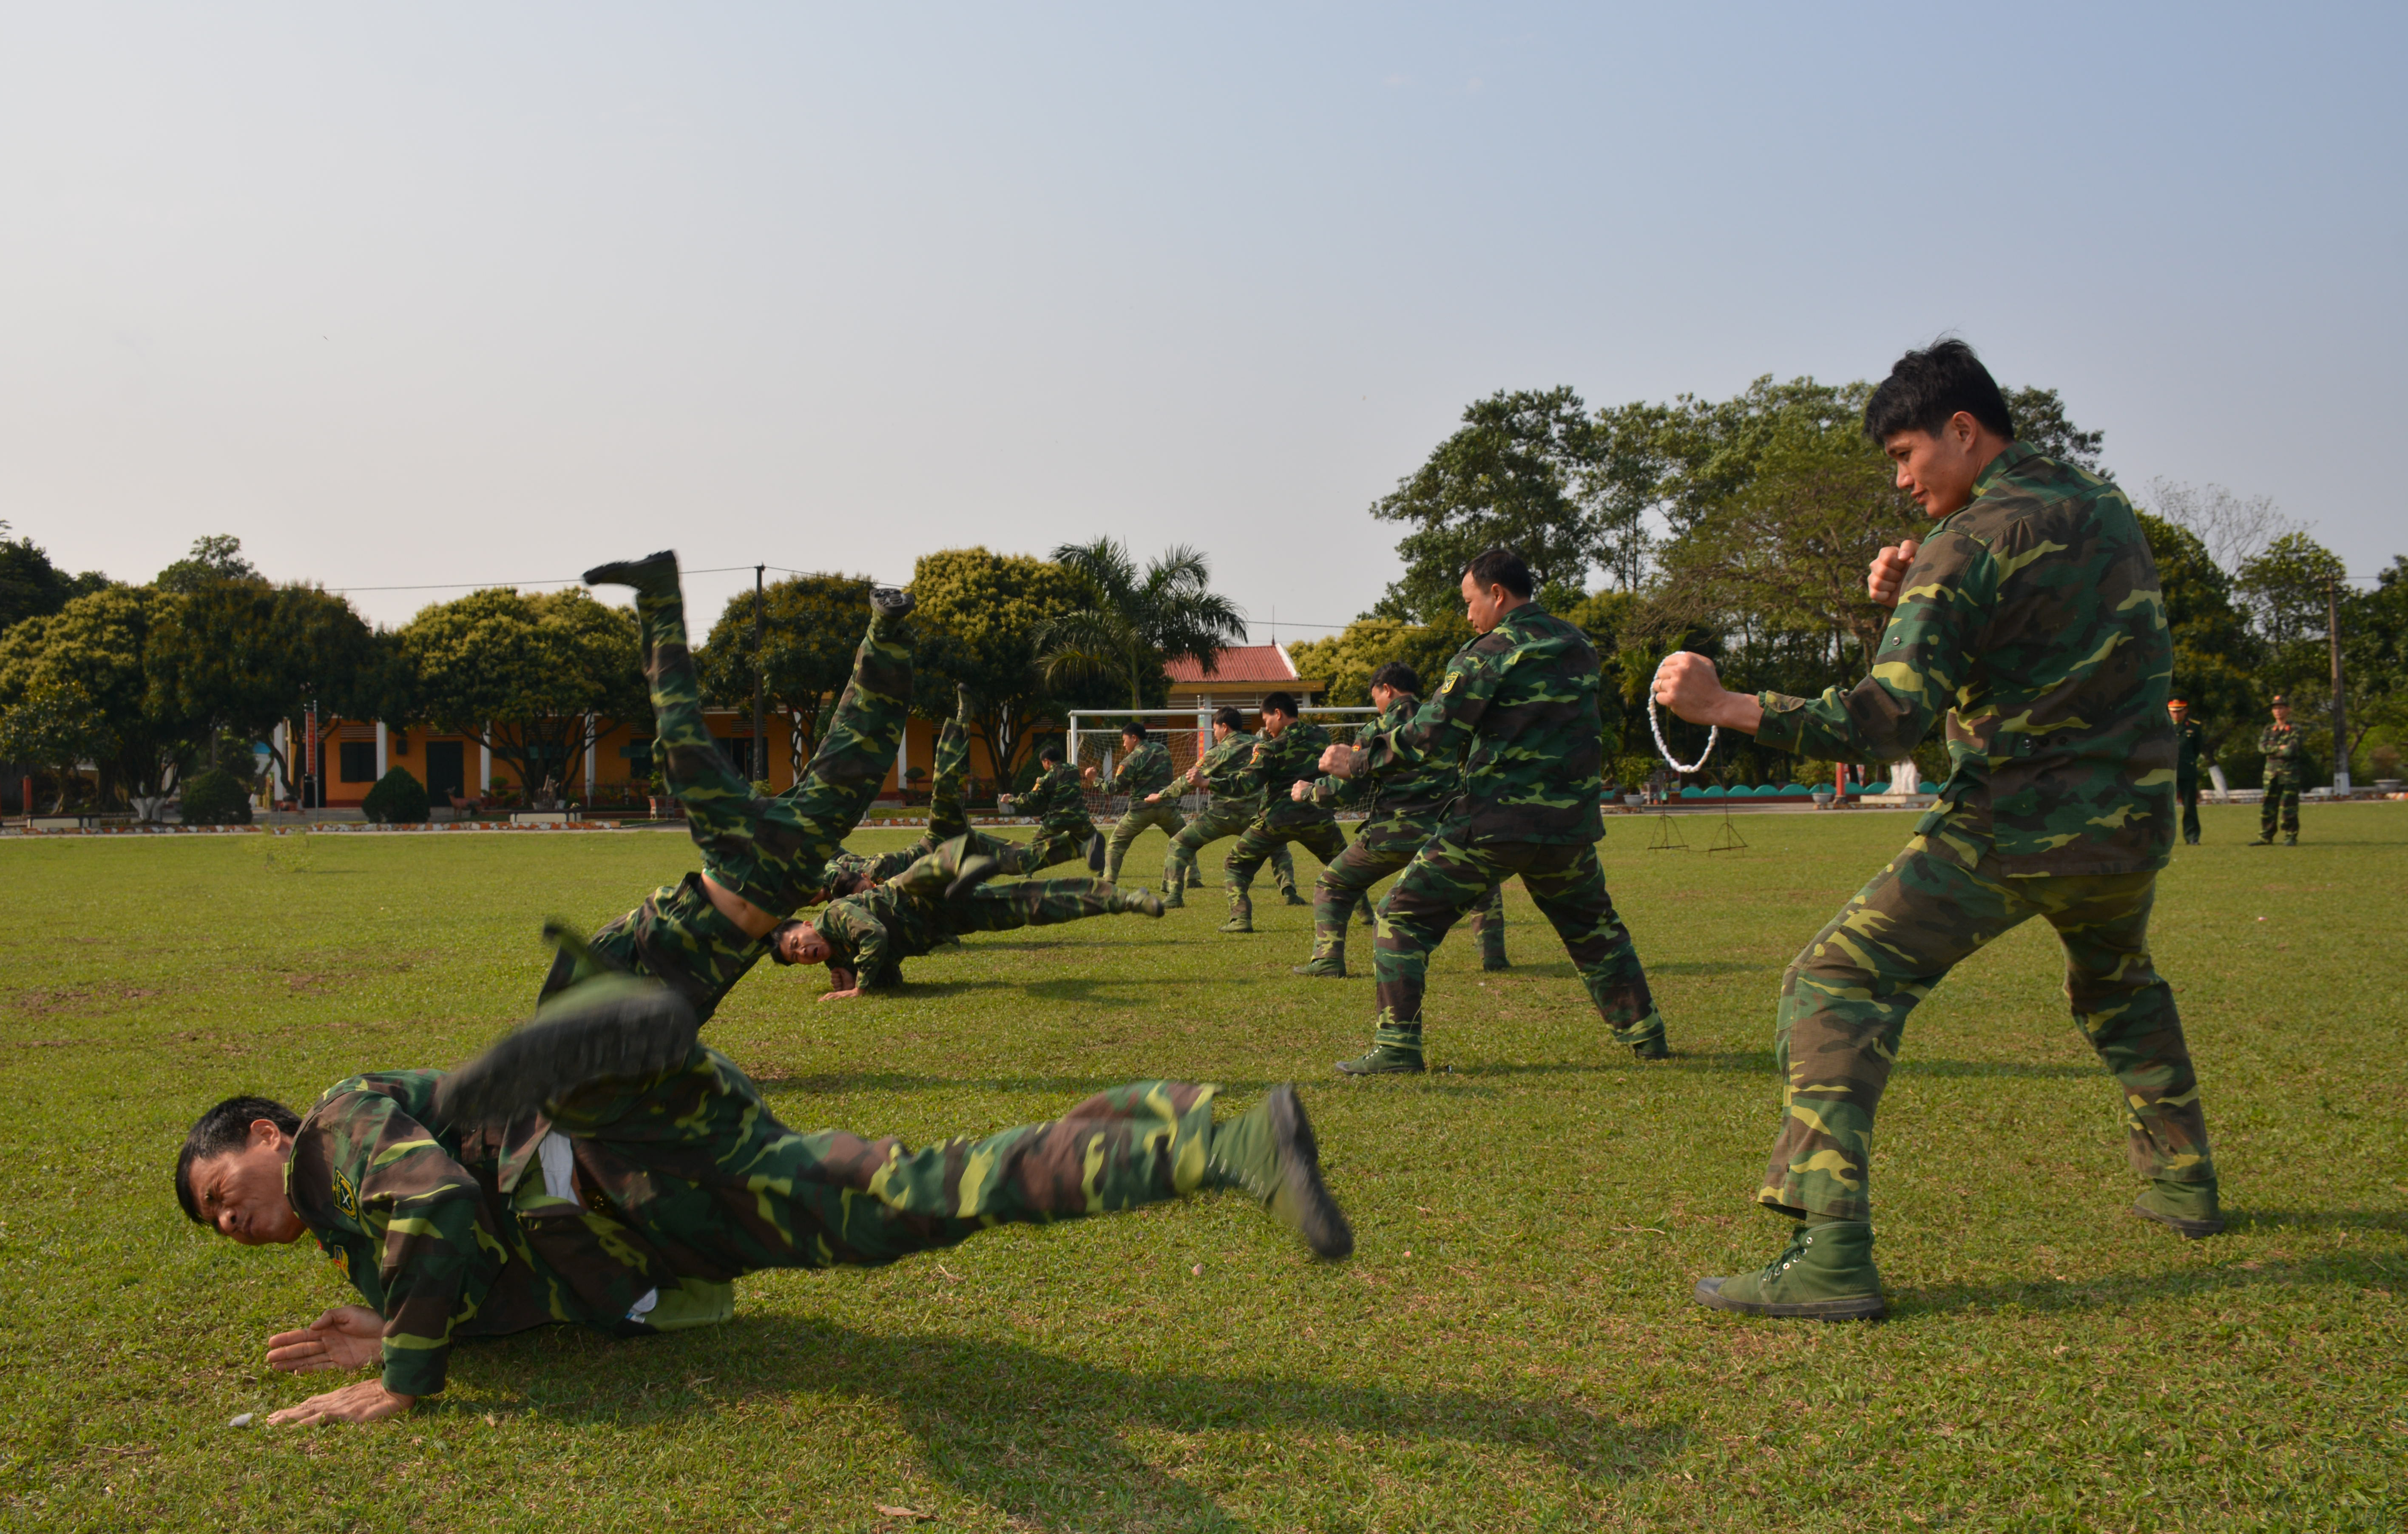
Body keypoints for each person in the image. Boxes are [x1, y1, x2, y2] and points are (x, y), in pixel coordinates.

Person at [1653, 339, 2218, 1322]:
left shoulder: (1967, 545)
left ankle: (1829, 1251)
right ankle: (2184, 1181)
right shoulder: (2103, 507)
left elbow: (1885, 720)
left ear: (1965, 430)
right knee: (2119, 983)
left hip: (2015, 827)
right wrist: (1917, 584)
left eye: (1907, 451)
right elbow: (2057, 634)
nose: (1901, 476)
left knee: (1836, 980)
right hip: (2131, 823)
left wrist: (1728, 703)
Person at [174, 986, 1353, 1426]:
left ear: (268, 1139)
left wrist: (404, 1374)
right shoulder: (344, 1227)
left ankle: (1232, 1145)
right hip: (642, 1209)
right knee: (893, 1199)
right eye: (219, 1228)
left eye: (226, 1194)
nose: (235, 1225)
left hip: (638, 1162)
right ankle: (1156, 1109)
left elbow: (441, 1213)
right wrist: (399, 1321)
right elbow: (485, 1269)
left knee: (899, 1203)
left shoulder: (337, 1127)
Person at [1319, 546, 1669, 1075]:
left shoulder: (1491, 650)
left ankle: (1397, 1048)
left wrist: (1359, 761)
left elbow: (1432, 732)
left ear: (1497, 594)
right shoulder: (1579, 643)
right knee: (1594, 929)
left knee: (1401, 915)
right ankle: (1648, 1037)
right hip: (1569, 823)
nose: (1467, 614)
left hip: (1495, 821)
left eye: (1470, 601)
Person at [539, 551, 912, 1022]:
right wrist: (839, 957)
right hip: (789, 853)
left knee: (679, 737)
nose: (802, 950)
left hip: (733, 849)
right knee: (853, 759)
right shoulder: (688, 1001)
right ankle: (887, 633)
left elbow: (574, 981)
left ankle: (658, 593)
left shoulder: (640, 944)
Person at [1291, 662, 1505, 978]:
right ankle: (1494, 958)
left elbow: (1348, 790)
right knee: (1482, 883)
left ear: (1386, 690)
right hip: (1445, 834)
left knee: (1332, 885)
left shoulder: (1375, 731)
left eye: (1375, 695)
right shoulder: (1439, 722)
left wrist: (1309, 792)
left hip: (1390, 836)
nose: (1377, 703)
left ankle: (1328, 960)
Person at [773, 832, 1165, 996]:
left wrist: (860, 986)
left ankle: (963, 866)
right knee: (1033, 905)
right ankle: (1127, 899)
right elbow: (894, 978)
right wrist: (853, 977)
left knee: (929, 871)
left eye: (797, 944)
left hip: (914, 896)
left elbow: (875, 935)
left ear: (806, 926)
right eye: (796, 957)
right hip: (945, 919)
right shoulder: (839, 956)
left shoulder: (832, 918)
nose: (803, 952)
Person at [821, 684, 1041, 895]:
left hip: (931, 843)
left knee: (944, 783)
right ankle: (1040, 858)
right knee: (999, 865)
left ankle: (961, 721)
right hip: (940, 868)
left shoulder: (844, 864)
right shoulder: (846, 886)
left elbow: (829, 850)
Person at [1217, 692, 1349, 934]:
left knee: (1235, 863)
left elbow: (1246, 784)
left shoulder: (1271, 748)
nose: (1265, 726)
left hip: (1277, 821)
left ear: (1278, 714)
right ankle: (1365, 914)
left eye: (1267, 720)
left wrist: (1208, 783)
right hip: (1318, 818)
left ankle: (1240, 919)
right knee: (1345, 866)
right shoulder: (1322, 735)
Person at [1153, 708, 1300, 908]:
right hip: (1255, 816)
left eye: (1215, 729)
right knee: (1279, 848)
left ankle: (1174, 897)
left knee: (1179, 844)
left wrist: (1161, 795)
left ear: (1224, 727)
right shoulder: (1262, 746)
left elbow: (1189, 781)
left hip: (1221, 817)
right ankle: (1289, 892)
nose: (1214, 734)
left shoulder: (1219, 751)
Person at [1084, 722, 1184, 889]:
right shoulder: (1163, 750)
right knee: (1184, 839)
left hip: (1141, 810)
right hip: (1167, 806)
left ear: (1134, 738)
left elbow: (1114, 788)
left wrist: (1095, 779)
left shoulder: (1131, 760)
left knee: (1117, 843)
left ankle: (1109, 879)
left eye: (1125, 740)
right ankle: (1194, 877)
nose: (1124, 745)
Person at [1014, 743, 1102, 871]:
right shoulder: (1074, 770)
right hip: (1079, 818)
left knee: (1035, 846)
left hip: (1057, 820)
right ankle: (1102, 871)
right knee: (1095, 840)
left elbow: (1031, 800)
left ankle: (1026, 872)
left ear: (1047, 761)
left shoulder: (1046, 778)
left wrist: (1011, 800)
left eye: (1043, 763)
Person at [2253, 695, 2303, 846]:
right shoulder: (2269, 729)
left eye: (2281, 707)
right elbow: (2262, 748)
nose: (2278, 711)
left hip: (2290, 775)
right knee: (2268, 806)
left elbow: (2291, 751)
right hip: (2271, 774)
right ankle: (2266, 836)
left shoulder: (2296, 729)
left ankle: (2290, 836)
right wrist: (2279, 748)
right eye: (2275, 708)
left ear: (2288, 709)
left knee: (2289, 806)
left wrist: (2272, 750)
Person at [2169, 698, 2206, 845]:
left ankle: (2192, 837)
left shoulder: (2194, 727)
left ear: (2185, 711)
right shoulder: (2162, 725)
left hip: (2187, 771)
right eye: (2173, 711)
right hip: (2167, 772)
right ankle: (2164, 838)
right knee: (2164, 807)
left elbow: (2197, 749)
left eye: (2179, 711)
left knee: (2190, 806)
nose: (2176, 715)